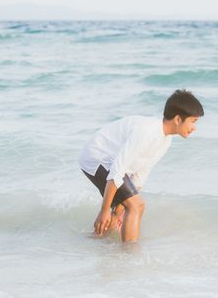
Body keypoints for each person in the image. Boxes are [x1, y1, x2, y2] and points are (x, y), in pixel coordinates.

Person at [79, 89, 204, 242]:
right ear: (178, 119)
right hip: (96, 157)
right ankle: (129, 256)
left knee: (129, 206)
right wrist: (105, 210)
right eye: (193, 121)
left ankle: (94, 241)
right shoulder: (147, 131)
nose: (194, 127)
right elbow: (117, 171)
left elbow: (139, 175)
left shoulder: (165, 140)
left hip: (112, 163)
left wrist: (118, 211)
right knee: (136, 205)